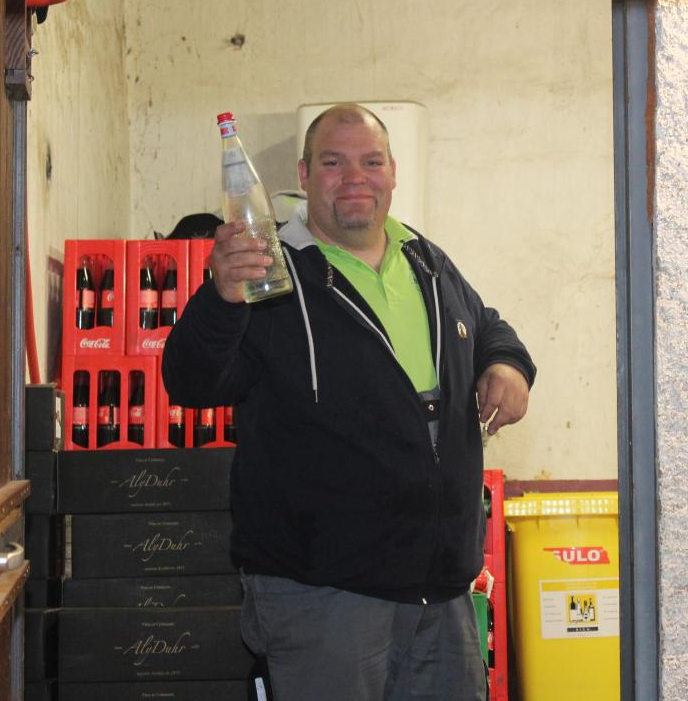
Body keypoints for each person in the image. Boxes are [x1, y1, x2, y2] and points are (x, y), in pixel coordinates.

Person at [162, 104, 535, 701]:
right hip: (322, 596)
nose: (356, 178)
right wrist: (220, 297)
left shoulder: (425, 260)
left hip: (440, 593)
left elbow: (486, 324)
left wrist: (507, 364)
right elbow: (191, 382)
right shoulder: (270, 271)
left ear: (393, 173)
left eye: (372, 162)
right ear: (304, 175)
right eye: (334, 163)